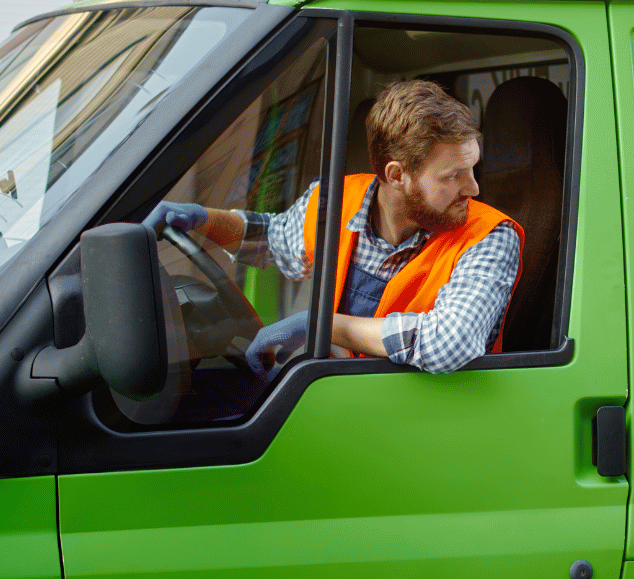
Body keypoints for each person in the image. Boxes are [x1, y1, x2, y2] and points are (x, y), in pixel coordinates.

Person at [147, 79, 522, 377]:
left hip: (435, 428)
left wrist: (327, 327)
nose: (474, 188)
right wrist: (203, 220)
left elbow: (449, 343)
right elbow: (272, 239)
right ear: (397, 175)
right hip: (347, 404)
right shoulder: (333, 201)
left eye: (472, 168)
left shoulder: (490, 237)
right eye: (454, 175)